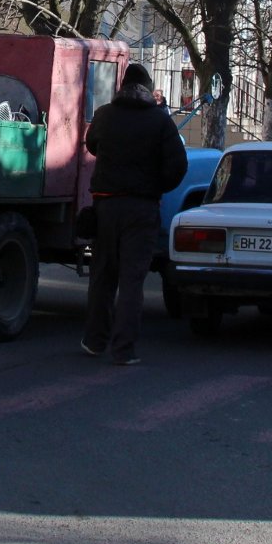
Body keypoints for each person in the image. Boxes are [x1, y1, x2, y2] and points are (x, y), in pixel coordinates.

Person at [81, 63, 187, 366]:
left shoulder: (104, 115)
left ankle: (94, 340)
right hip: (141, 208)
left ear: (123, 85)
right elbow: (178, 166)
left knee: (102, 276)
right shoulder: (159, 121)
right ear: (147, 87)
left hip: (105, 206)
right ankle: (123, 348)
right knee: (131, 280)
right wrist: (157, 185)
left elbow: (91, 145)